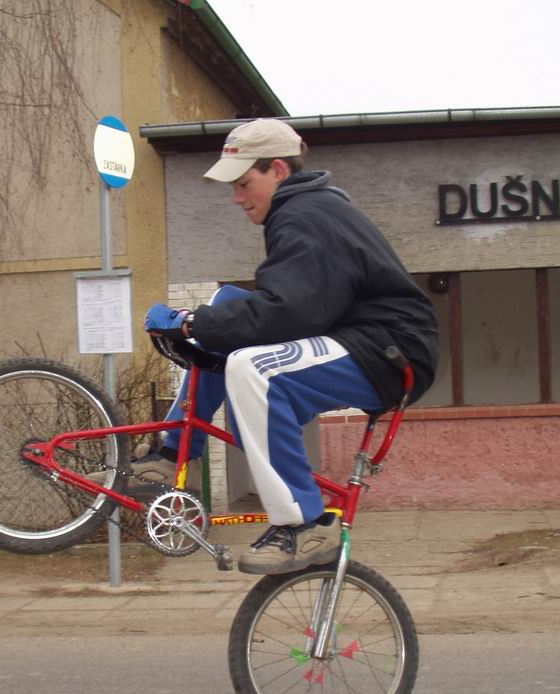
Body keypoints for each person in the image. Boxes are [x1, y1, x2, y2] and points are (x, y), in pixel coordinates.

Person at [141, 118, 439, 575]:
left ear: (278, 170)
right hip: (358, 336)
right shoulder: (305, 209)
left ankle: (302, 525)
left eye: (244, 184)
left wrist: (190, 324)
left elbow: (289, 312)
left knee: (254, 369)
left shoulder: (304, 215)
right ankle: (172, 454)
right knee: (228, 301)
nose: (237, 198)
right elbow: (289, 309)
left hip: (388, 351)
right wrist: (206, 322)